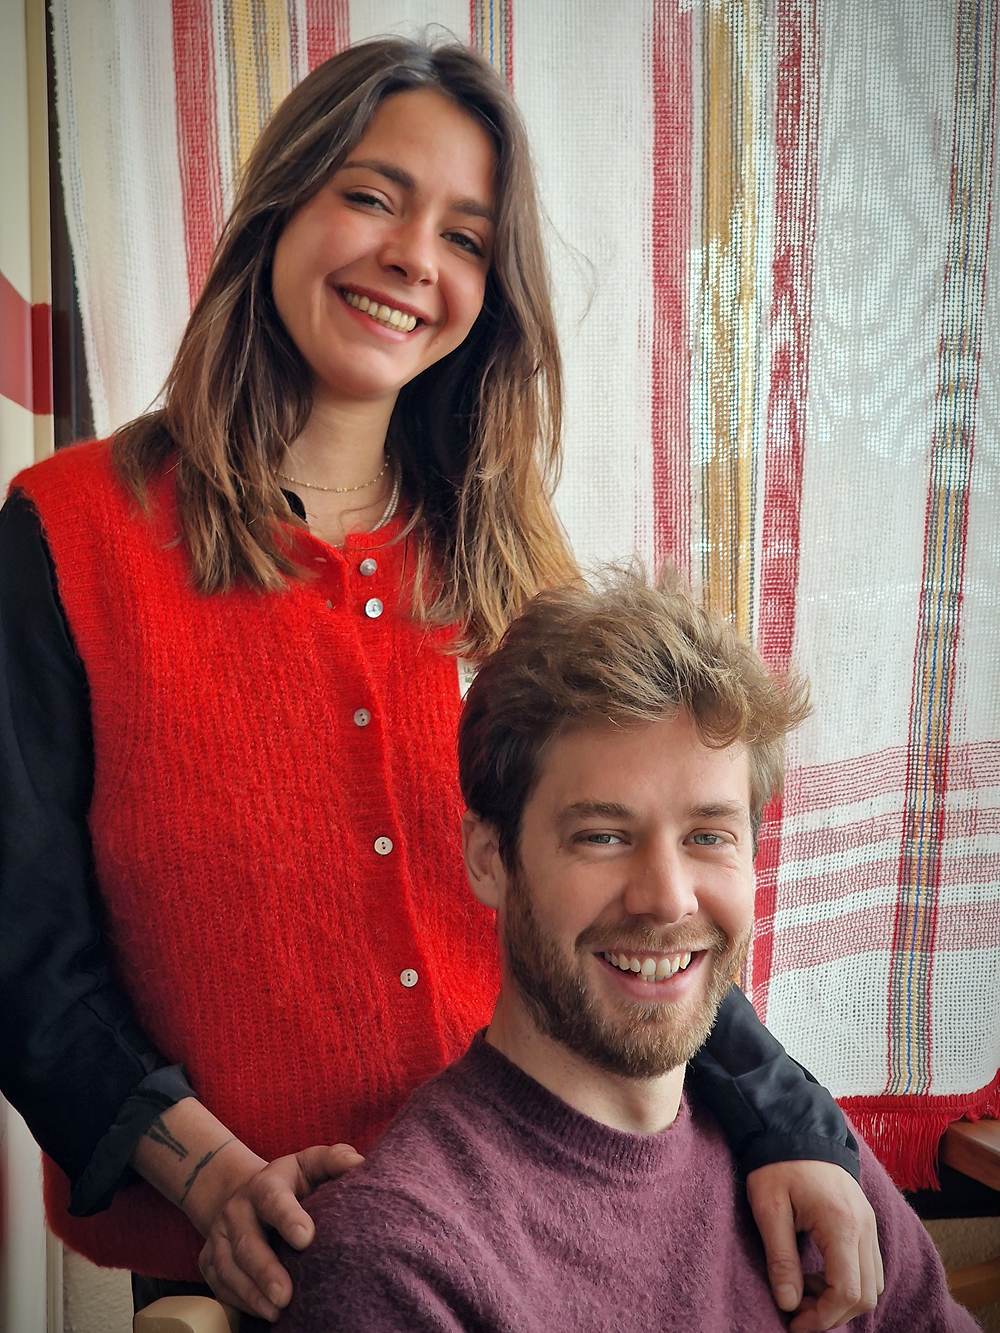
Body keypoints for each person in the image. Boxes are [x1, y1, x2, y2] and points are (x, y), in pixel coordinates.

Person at [2, 36, 869, 1328]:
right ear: (279, 208)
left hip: (567, 1213)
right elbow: (28, 957)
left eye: (466, 235)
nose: (416, 255)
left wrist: (800, 1128)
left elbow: (647, 905)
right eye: (372, 194)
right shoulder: (66, 535)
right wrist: (213, 1178)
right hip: (269, 1267)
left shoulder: (521, 570)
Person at [257, 567, 974, 1333]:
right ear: (489, 858)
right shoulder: (404, 1263)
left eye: (709, 836)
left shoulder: (820, 1177)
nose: (667, 897)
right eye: (602, 835)